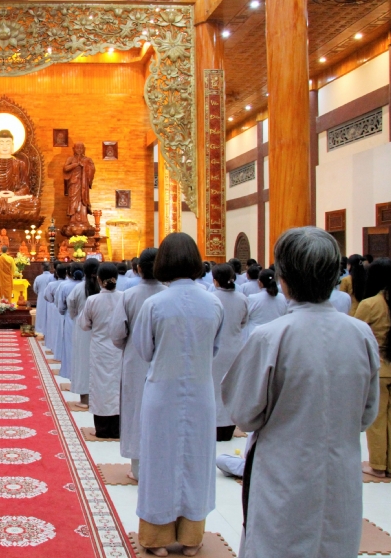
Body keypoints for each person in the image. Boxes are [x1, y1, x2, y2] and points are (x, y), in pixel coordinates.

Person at [222, 227, 379, 558]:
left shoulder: (271, 336)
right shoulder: (360, 334)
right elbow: (366, 413)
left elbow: (244, 412)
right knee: (333, 541)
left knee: (278, 543)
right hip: (340, 471)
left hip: (283, 472)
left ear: (283, 278)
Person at [131, 233, 223, 556]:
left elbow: (144, 349)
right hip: (201, 393)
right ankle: (191, 538)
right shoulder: (213, 303)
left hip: (161, 393)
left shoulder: (155, 304)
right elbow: (214, 347)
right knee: (196, 462)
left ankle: (156, 539)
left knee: (159, 462)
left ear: (164, 262)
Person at [110, 247, 165, 481]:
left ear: (138, 268)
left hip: (135, 360)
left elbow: (117, 332)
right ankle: (162, 465)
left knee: (135, 409)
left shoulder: (129, 296)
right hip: (163, 360)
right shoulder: (167, 294)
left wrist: (129, 346)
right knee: (162, 410)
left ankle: (139, 468)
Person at [355, 258, 391, 478]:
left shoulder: (369, 304)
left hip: (379, 369)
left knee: (377, 420)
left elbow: (356, 335)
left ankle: (377, 465)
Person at [80, 262, 122, 439]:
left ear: (98, 279)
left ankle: (103, 429)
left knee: (101, 387)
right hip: (119, 348)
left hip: (100, 348)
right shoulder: (124, 297)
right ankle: (117, 427)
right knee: (117, 386)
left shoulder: (93, 300)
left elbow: (84, 325)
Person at [210, 263, 249, 441]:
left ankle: (215, 426)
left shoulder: (211, 298)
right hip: (235, 348)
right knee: (232, 388)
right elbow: (243, 322)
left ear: (216, 281)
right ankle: (230, 425)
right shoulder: (242, 298)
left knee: (215, 388)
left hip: (215, 349)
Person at [68, 258, 99, 408]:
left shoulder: (78, 289)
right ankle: (99, 399)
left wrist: (77, 317)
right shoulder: (103, 289)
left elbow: (71, 306)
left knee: (83, 362)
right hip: (101, 329)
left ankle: (85, 399)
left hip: (82, 329)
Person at [56, 265, 82, 380]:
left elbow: (61, 306)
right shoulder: (90, 286)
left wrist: (64, 313)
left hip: (71, 318)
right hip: (89, 321)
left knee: (70, 344)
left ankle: (70, 373)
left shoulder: (66, 286)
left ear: (69, 273)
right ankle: (82, 375)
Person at [244, 269, 287, 336]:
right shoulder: (283, 298)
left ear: (260, 283)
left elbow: (245, 317)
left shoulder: (252, 298)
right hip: (276, 334)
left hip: (255, 334)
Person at [43, 264, 68, 359]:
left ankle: (54, 347)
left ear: (56, 273)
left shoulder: (52, 284)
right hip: (65, 309)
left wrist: (53, 301)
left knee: (53, 328)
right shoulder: (66, 284)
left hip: (54, 307)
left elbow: (47, 296)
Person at [33, 261, 54, 335]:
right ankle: (49, 330)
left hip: (41, 298)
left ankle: (40, 330)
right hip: (51, 299)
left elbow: (35, 289)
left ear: (42, 268)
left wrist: (40, 293)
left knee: (41, 314)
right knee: (50, 314)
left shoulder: (38, 278)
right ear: (50, 268)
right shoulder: (53, 277)